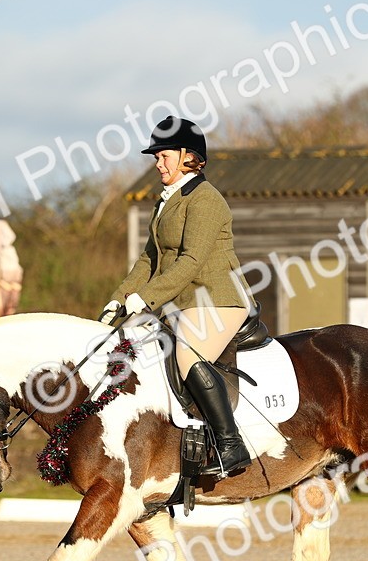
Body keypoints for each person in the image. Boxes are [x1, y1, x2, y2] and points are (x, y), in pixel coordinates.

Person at [100, 116, 254, 477]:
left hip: (218, 299)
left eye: (164, 156)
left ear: (189, 157)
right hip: (182, 302)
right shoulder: (166, 201)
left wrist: (146, 299)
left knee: (187, 355)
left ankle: (231, 445)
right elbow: (148, 259)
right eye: (156, 157)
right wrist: (119, 299)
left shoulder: (206, 199)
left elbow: (192, 260)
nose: (157, 163)